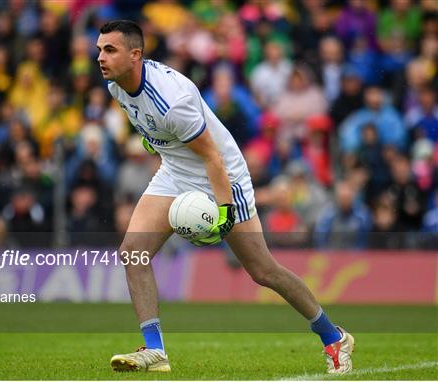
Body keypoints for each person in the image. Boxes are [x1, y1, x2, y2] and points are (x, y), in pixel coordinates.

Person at [97, 20, 354, 374]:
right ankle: (155, 350)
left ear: (135, 54)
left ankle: (333, 336)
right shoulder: (116, 87)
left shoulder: (173, 100)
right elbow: (154, 130)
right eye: (99, 49)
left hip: (223, 176)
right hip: (174, 171)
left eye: (109, 50)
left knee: (263, 271)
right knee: (133, 252)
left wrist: (224, 212)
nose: (101, 57)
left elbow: (212, 157)